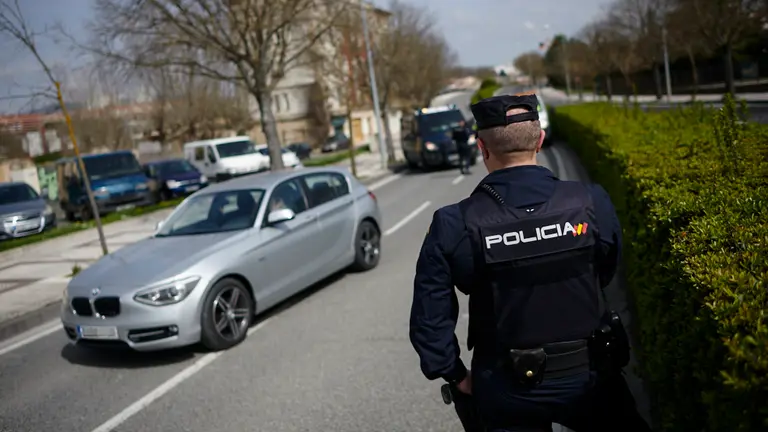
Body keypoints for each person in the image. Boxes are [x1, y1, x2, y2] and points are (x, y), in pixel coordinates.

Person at [408, 93, 651, 431]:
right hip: (591, 376)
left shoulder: (454, 223)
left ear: (481, 148)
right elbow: (605, 269)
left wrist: (454, 374)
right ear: (540, 140)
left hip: (505, 386)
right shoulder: (590, 201)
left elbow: (429, 316)